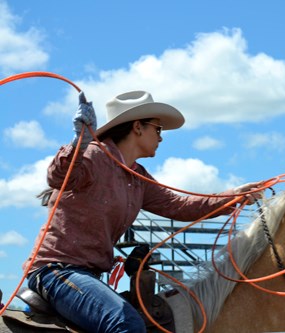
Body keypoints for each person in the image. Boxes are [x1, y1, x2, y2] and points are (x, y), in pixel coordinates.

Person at [23, 91, 263, 333]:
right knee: (125, 322)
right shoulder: (93, 155)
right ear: (137, 127)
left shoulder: (138, 177)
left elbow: (180, 205)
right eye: (157, 129)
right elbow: (58, 177)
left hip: (85, 276)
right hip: (56, 271)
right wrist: (78, 144)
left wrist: (233, 196)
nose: (161, 138)